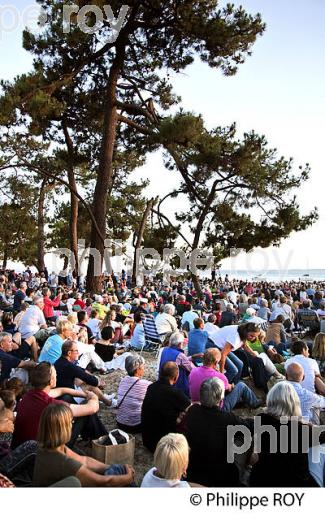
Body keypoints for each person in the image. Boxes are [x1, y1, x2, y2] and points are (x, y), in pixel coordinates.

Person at [33, 403, 135, 487]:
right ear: (63, 429)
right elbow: (104, 482)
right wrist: (128, 477)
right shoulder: (64, 463)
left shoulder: (49, 447)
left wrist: (110, 467)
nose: (72, 425)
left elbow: (85, 460)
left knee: (117, 470)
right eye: (71, 422)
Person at [11, 362, 103, 449]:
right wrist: (94, 397)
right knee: (85, 413)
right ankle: (102, 440)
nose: (57, 376)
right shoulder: (51, 405)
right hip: (43, 452)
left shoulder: (29, 395)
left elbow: (61, 390)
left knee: (66, 397)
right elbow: (92, 408)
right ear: (51, 381)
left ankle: (91, 438)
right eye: (55, 375)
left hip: (22, 448)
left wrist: (84, 394)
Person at [250, 381, 325, 487]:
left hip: (260, 480)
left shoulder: (260, 419)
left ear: (270, 400)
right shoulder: (301, 429)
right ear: (294, 403)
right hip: (295, 485)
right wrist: (309, 425)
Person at [185, 377, 253, 487]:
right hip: (219, 478)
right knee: (243, 438)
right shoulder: (227, 418)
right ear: (221, 401)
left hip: (194, 472)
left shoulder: (193, 411)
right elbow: (248, 427)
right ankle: (244, 474)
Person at [189, 348, 261, 411]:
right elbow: (229, 389)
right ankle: (254, 403)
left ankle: (243, 402)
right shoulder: (219, 376)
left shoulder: (193, 371)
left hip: (197, 406)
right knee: (241, 385)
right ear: (216, 362)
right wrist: (232, 385)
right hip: (216, 410)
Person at [141, 362, 191, 453]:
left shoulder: (151, 387)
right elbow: (190, 408)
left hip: (147, 440)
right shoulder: (175, 393)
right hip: (164, 445)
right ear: (176, 377)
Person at [54, 340, 115, 407]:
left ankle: (102, 396)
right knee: (91, 385)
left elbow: (81, 371)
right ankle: (108, 402)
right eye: (76, 351)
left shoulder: (59, 361)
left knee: (82, 380)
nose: (78, 352)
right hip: (68, 398)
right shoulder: (69, 366)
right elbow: (87, 378)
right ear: (69, 353)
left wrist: (96, 380)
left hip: (61, 394)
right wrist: (99, 382)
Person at [116, 355, 151, 433]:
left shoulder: (123, 380)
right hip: (135, 425)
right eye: (143, 367)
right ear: (137, 370)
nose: (144, 368)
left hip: (120, 423)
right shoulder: (146, 384)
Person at [159, 331, 194, 396]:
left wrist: (190, 357)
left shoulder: (164, 350)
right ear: (180, 344)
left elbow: (181, 361)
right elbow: (192, 369)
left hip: (163, 381)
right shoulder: (180, 355)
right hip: (177, 386)